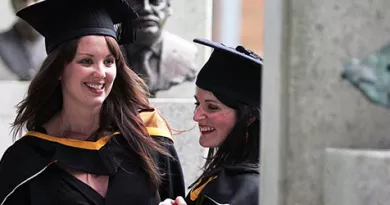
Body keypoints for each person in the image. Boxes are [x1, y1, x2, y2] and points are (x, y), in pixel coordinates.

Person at [0, 0, 185, 204]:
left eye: (108, 61)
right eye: (86, 61)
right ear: (59, 69)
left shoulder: (148, 135)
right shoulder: (25, 162)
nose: (101, 73)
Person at [159, 38, 262, 205]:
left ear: (249, 117)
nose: (196, 116)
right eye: (197, 104)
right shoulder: (226, 175)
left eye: (212, 107)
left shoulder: (250, 189)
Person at [122, 0, 198, 97]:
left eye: (155, 2)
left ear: (168, 8)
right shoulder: (109, 52)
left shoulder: (187, 54)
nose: (146, 9)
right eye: (136, 2)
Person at [0, 0, 46, 80]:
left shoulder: (65, 40)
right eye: (23, 0)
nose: (30, 5)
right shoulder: (3, 42)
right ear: (13, 5)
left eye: (36, 0)